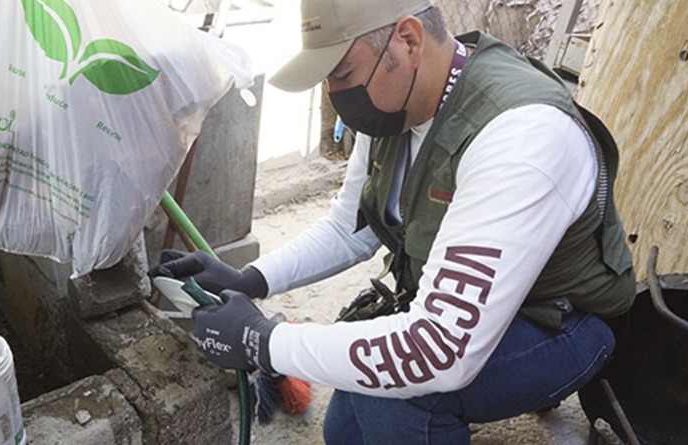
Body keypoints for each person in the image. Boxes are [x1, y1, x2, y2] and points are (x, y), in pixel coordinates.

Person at [149, 0, 636, 443]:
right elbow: (349, 229)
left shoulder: (520, 136)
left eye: (342, 72)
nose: (335, 93)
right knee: (346, 429)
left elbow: (436, 349)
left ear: (408, 39)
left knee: (397, 393)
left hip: (560, 322)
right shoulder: (396, 106)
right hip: (481, 309)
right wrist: (251, 278)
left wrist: (266, 340)